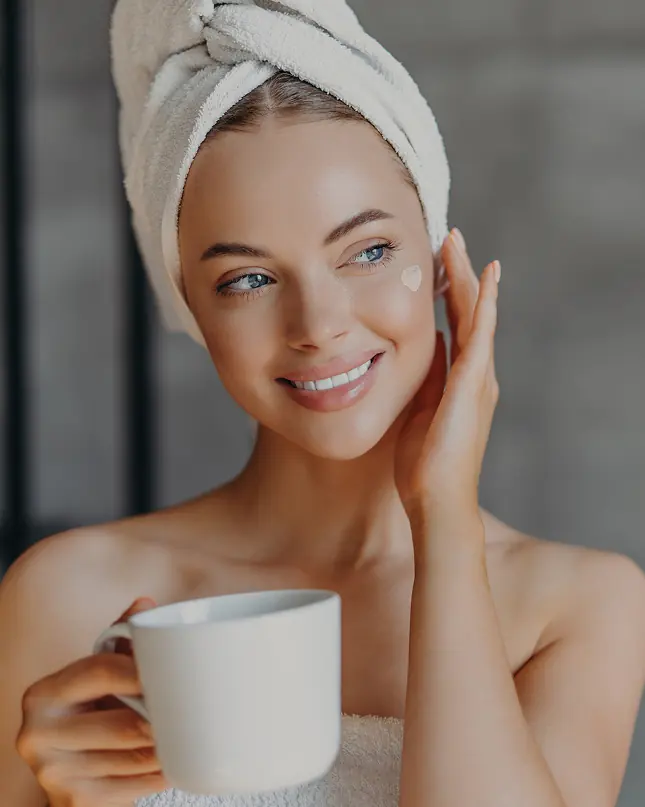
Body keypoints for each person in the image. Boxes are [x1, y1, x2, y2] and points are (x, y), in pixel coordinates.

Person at [2, 4, 645, 807]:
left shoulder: (577, 606)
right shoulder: (67, 595)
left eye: (368, 251)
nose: (319, 326)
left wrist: (442, 518)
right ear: (192, 307)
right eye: (247, 279)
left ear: (441, 253)